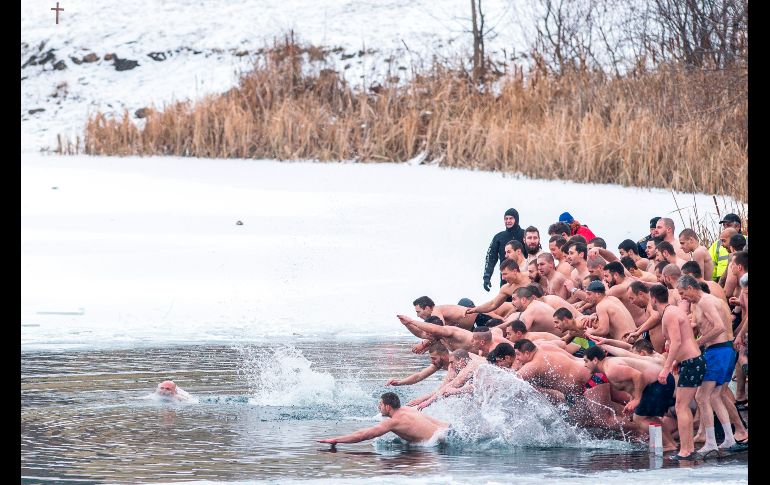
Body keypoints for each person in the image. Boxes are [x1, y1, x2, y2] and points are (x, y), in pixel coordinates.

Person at [676, 275, 738, 453]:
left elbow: (719, 327)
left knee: (702, 397)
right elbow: (703, 322)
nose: (683, 298)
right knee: (715, 396)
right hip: (726, 350)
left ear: (690, 288)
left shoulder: (705, 302)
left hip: (717, 351)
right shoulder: (711, 301)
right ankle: (729, 439)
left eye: (683, 293)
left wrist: (697, 343)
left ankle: (711, 441)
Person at [583, 346, 677, 451]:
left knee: (640, 419)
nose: (584, 365)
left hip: (659, 382)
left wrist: (637, 399)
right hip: (660, 382)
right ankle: (671, 443)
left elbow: (637, 376)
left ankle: (668, 445)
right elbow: (631, 383)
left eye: (586, 361)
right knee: (648, 417)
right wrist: (633, 400)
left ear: (595, 360)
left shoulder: (611, 369)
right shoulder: (608, 365)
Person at [651, 283, 704, 460]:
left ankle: (686, 450)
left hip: (691, 362)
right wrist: (676, 361)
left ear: (653, 299)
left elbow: (677, 342)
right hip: (690, 361)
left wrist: (666, 368)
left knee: (681, 406)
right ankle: (688, 448)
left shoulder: (669, 314)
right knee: (683, 406)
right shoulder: (672, 311)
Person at [318, 392, 449, 447]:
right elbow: (440, 424)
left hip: (438, 445)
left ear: (388, 407)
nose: (378, 407)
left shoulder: (394, 422)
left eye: (380, 404)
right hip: (447, 432)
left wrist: (337, 440)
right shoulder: (409, 409)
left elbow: (364, 435)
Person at [484, 208, 525, 290]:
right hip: (506, 278)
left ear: (516, 219)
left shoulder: (525, 234)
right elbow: (491, 258)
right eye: (506, 219)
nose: (508, 221)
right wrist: (487, 276)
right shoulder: (498, 237)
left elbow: (535, 252)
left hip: (523, 275)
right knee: (505, 297)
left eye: (511, 218)